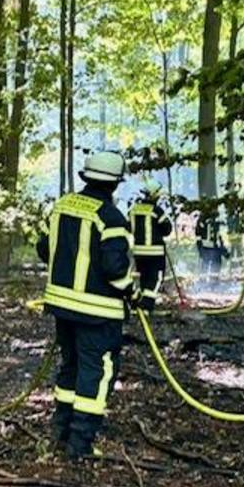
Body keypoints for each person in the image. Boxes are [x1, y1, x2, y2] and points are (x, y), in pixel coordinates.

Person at [36, 150, 137, 460]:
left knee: (71, 366)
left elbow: (43, 248)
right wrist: (132, 292)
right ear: (115, 183)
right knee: (97, 371)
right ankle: (80, 445)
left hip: (61, 307)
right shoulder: (111, 218)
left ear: (86, 177)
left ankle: (61, 431)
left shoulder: (61, 207)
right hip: (99, 313)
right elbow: (115, 269)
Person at [126, 182, 174, 306]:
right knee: (156, 279)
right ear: (154, 195)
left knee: (144, 278)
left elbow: (128, 227)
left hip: (138, 252)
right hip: (155, 252)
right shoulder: (157, 211)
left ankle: (139, 303)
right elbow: (167, 229)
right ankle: (146, 306)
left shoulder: (133, 210)